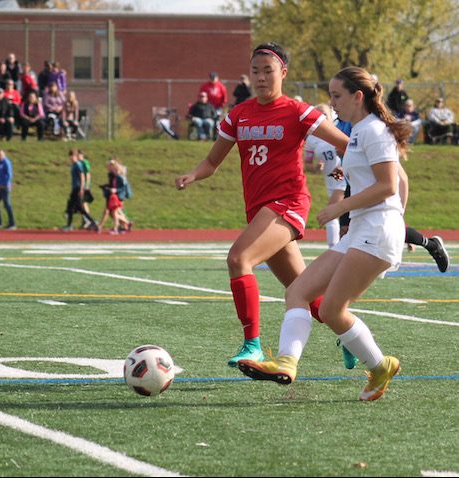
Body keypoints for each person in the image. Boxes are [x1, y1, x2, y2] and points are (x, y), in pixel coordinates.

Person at [237, 66, 413, 402]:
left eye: (336, 96)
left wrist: (345, 210)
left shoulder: (374, 131)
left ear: (357, 96)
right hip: (363, 227)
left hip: (375, 230)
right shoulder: (360, 131)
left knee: (333, 310)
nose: (332, 104)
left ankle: (379, 365)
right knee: (299, 291)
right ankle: (287, 363)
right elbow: (401, 182)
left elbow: (389, 185)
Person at [175, 42, 350, 368]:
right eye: (255, 71)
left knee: (238, 258)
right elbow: (212, 162)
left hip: (289, 203)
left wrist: (353, 165)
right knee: (307, 293)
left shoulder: (298, 111)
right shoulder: (239, 115)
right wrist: (192, 175)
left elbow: (346, 143)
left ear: (283, 72)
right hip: (260, 210)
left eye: (267, 70)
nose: (260, 77)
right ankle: (350, 336)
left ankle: (252, 345)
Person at [303, 104, 347, 248]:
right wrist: (315, 167)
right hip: (331, 182)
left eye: (325, 114)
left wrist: (340, 170)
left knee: (330, 214)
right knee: (346, 219)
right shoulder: (312, 139)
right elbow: (306, 164)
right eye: (318, 115)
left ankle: (333, 250)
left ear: (331, 115)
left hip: (344, 178)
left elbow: (353, 152)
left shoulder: (340, 129)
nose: (322, 118)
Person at [61, 149, 99, 232]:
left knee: (80, 208)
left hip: (78, 188)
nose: (71, 158)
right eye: (70, 157)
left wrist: (82, 188)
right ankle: (69, 225)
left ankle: (93, 222)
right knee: (70, 207)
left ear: (75, 156)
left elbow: (82, 176)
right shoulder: (74, 165)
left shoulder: (78, 165)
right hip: (74, 188)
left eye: (73, 156)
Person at [99, 158, 132, 234]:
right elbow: (114, 185)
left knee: (114, 213)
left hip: (119, 196)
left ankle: (119, 227)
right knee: (115, 213)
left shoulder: (120, 177)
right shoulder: (114, 176)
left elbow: (123, 187)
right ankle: (124, 225)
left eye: (112, 166)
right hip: (116, 196)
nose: (110, 167)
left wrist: (115, 190)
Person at [0, 149, 16, 230]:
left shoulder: (6, 162)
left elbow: (9, 174)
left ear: (4, 155)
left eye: (1, 155)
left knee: (7, 205)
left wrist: (7, 184)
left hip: (5, 188)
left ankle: (12, 224)